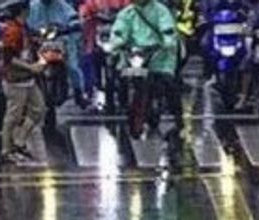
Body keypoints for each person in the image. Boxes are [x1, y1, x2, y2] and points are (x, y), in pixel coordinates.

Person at [108, 0, 184, 138]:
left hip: (159, 57)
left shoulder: (161, 11)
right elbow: (118, 31)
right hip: (134, 57)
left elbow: (168, 30)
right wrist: (116, 43)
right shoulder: (127, 13)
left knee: (169, 83)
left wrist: (168, 41)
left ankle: (178, 117)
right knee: (119, 78)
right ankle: (123, 104)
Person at [0, 3, 47, 162]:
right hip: (15, 79)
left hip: (28, 78)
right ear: (23, 12)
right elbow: (8, 58)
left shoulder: (25, 28)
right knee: (13, 115)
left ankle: (19, 140)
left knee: (38, 109)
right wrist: (30, 67)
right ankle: (6, 150)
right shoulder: (13, 31)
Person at [28, 0, 88, 108]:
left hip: (61, 42)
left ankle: (79, 92)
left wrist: (71, 27)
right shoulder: (33, 6)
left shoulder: (63, 6)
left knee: (72, 67)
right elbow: (26, 23)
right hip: (40, 43)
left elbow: (74, 19)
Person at [79, 0, 131, 106]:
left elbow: (129, 8)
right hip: (98, 33)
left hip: (119, 32)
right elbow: (85, 9)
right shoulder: (93, 2)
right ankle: (93, 88)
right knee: (91, 58)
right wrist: (85, 16)